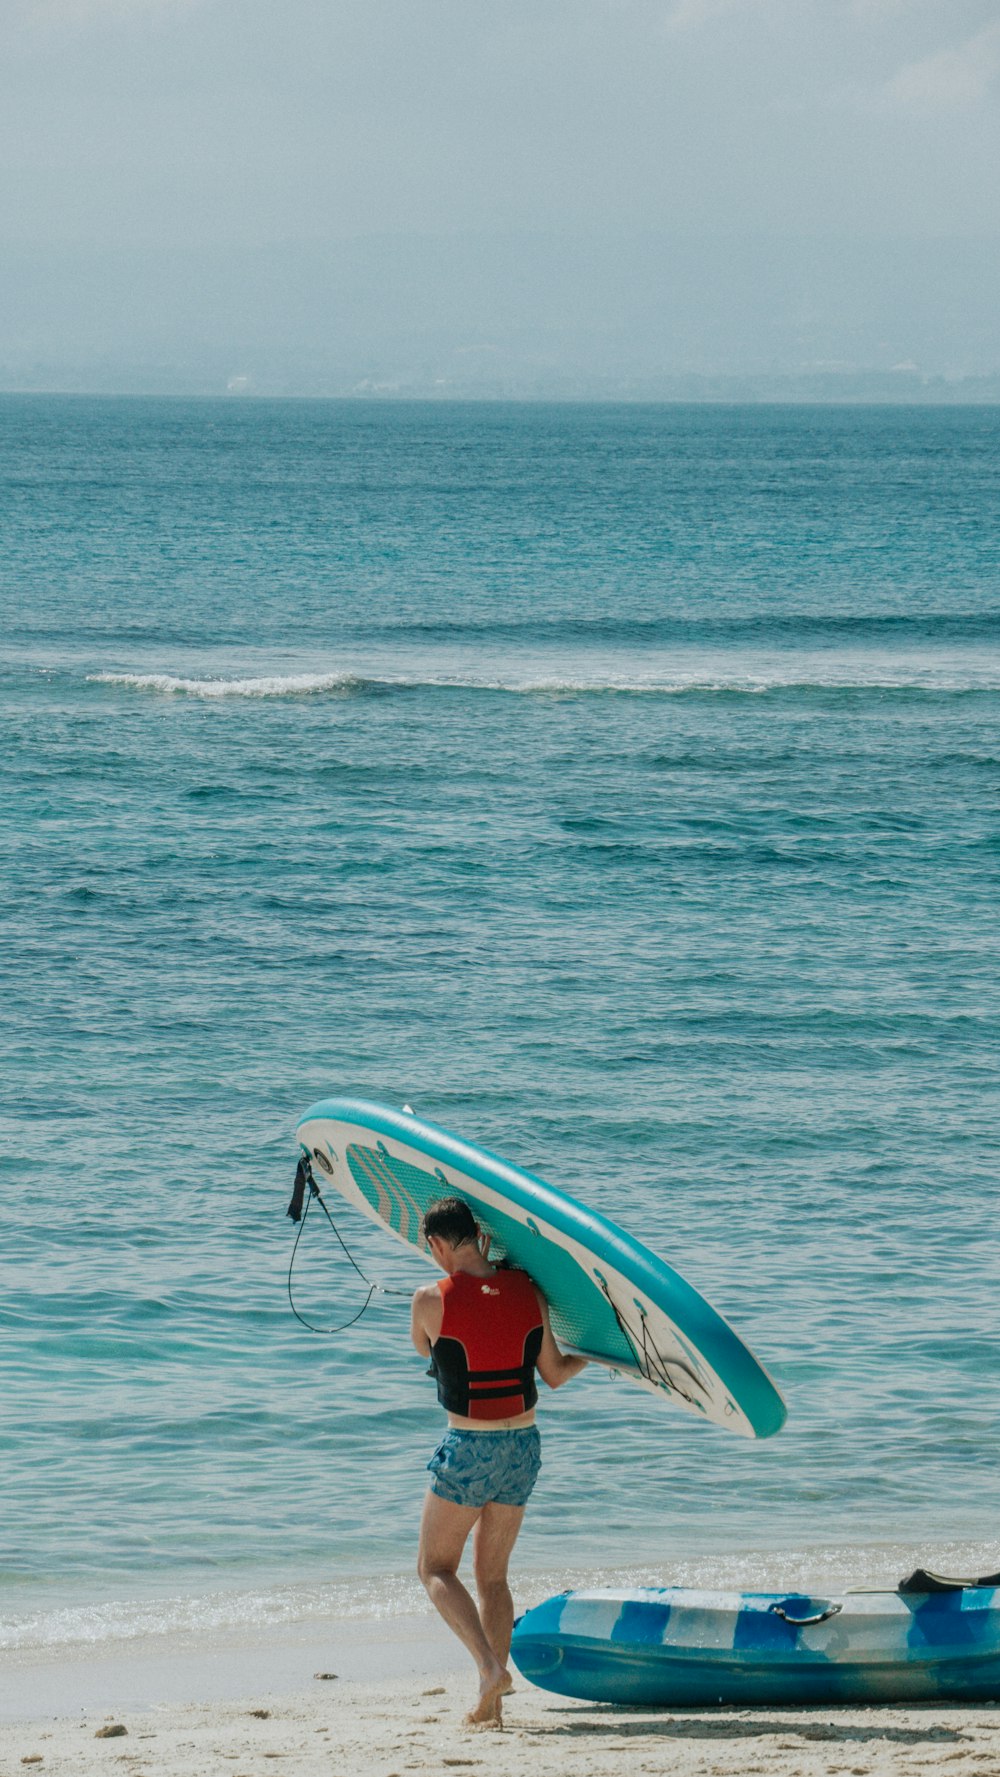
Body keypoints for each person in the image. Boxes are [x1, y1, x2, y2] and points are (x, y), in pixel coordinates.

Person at [411, 1196, 587, 1727]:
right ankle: (491, 1707)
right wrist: (602, 1354)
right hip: (523, 1447)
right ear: (479, 1237)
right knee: (493, 1576)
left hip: (469, 1449)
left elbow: (424, 1350)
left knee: (435, 1567)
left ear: (439, 1244)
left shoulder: (429, 1297)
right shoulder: (530, 1292)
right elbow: (555, 1374)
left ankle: (489, 1669)